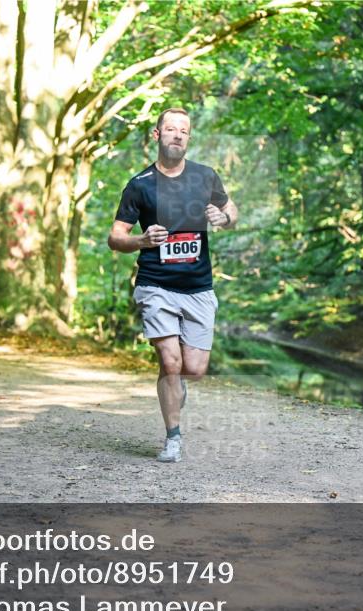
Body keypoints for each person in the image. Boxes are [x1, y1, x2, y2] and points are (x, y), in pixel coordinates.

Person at [107, 108, 238, 463]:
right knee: (169, 361)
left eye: (184, 130)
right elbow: (115, 237)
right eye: (170, 129)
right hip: (156, 285)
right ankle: (173, 438)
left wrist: (223, 217)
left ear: (189, 138)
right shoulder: (140, 185)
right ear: (157, 135)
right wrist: (142, 240)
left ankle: (176, 383)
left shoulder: (205, 177)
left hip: (198, 286)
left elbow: (232, 211)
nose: (177, 134)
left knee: (192, 370)